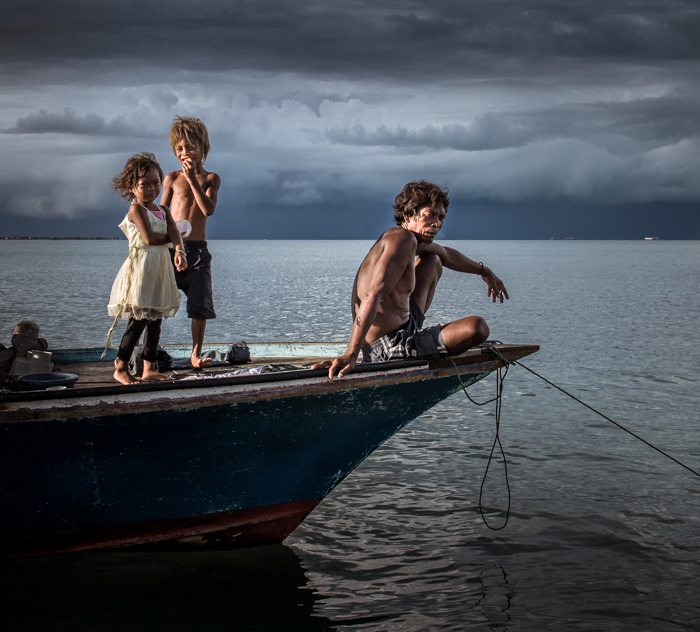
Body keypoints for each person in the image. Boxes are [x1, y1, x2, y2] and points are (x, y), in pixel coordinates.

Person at [317, 181, 509, 380]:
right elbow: (372, 296)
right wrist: (351, 354)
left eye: (441, 216)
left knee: (433, 260)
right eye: (429, 215)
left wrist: (484, 271)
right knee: (477, 327)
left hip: (406, 325)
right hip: (387, 346)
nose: (437, 224)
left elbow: (445, 254)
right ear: (408, 216)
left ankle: (419, 337)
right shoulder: (402, 240)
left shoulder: (410, 239)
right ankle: (414, 345)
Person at [106, 153, 187, 385]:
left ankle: (149, 368)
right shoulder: (136, 210)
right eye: (144, 184)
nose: (152, 189)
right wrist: (175, 238)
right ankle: (121, 367)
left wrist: (180, 251)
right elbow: (150, 238)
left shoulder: (163, 209)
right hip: (141, 269)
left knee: (156, 320)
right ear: (132, 187)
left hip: (160, 269)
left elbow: (174, 232)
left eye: (156, 183)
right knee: (139, 319)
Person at [161, 116, 222, 368]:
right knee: (155, 301)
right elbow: (161, 210)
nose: (185, 152)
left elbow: (208, 210)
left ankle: (196, 354)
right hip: (170, 248)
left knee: (199, 304)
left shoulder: (210, 179)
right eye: (179, 148)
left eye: (190, 147)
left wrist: (192, 179)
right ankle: (147, 352)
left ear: (203, 148)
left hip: (197, 251)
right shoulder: (171, 178)